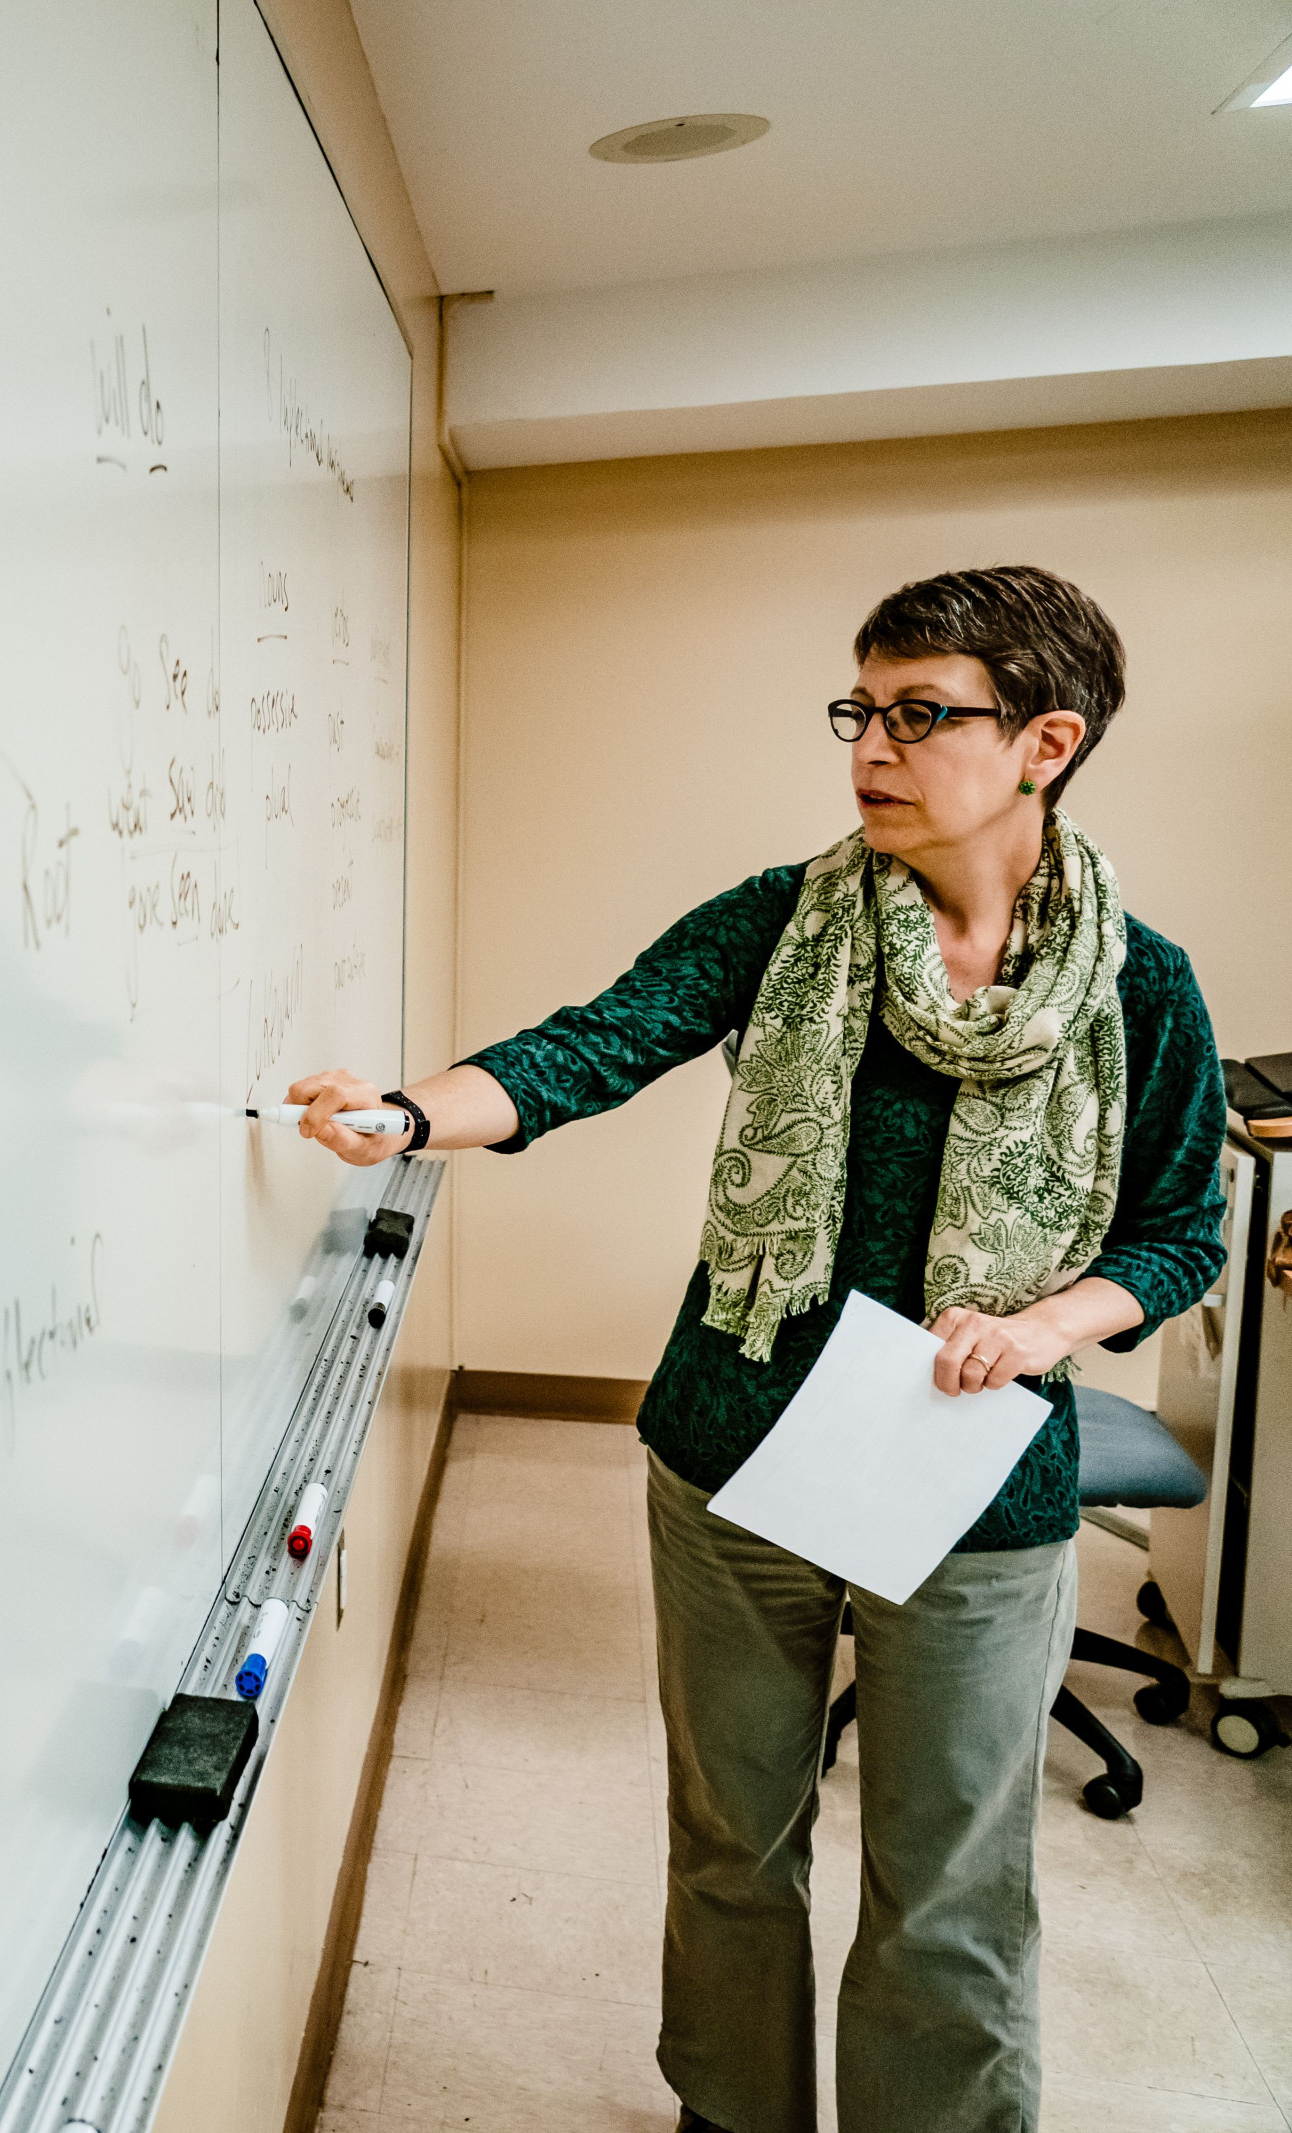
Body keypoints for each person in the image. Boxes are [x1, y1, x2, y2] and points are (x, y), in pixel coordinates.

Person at [287, 565, 1228, 2133]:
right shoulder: (787, 919)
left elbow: (1182, 1229)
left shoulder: (1144, 984)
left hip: (980, 1481)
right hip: (736, 1449)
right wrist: (405, 1113)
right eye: (861, 708)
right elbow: (597, 1040)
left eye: (921, 714)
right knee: (732, 1842)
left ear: (1046, 742)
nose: (873, 746)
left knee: (950, 1881)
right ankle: (731, 2114)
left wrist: (1046, 1324)